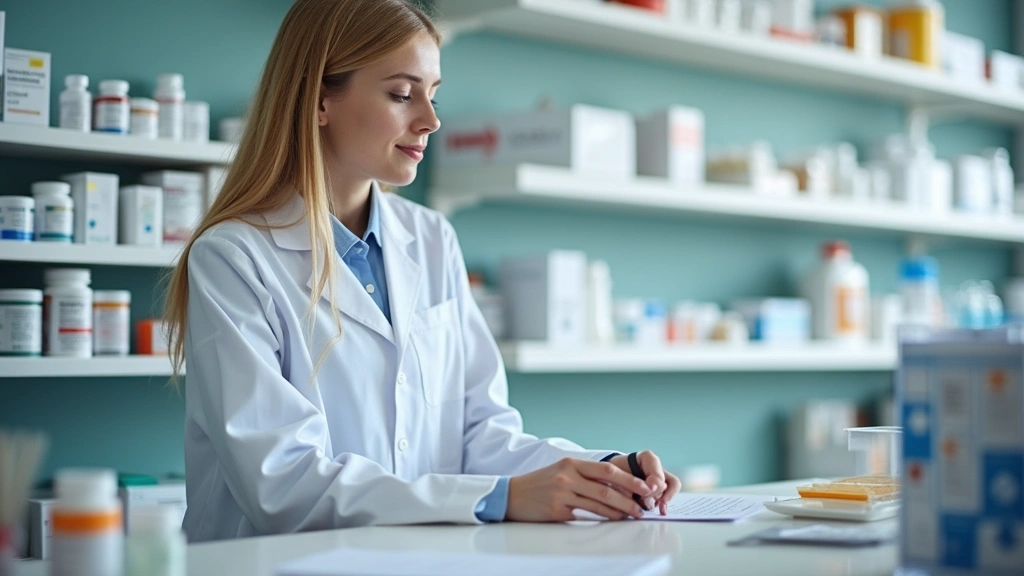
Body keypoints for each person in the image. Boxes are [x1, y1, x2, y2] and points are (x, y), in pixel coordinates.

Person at [164, 0, 681, 542]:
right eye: (401, 94)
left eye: (433, 96)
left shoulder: (431, 238)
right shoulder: (233, 258)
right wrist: (497, 497)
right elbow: (282, 483)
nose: (431, 121)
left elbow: (481, 434)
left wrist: (601, 473)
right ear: (319, 100)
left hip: (415, 556)